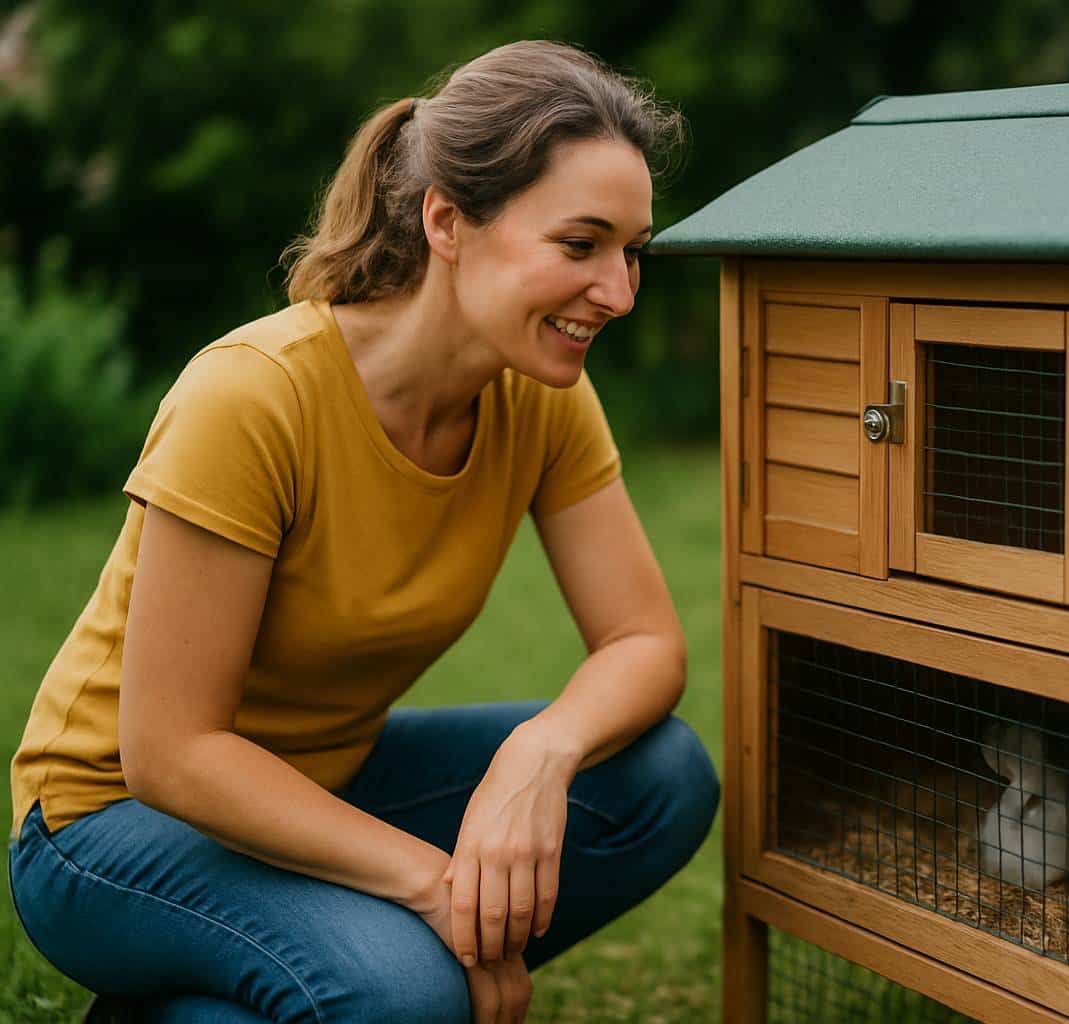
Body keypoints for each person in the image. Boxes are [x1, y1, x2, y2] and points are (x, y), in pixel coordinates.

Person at [8, 40, 719, 1024]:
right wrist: (438, 895)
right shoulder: (253, 397)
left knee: (658, 779)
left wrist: (537, 755)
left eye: (630, 251)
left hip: (323, 782)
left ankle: (196, 999)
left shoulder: (544, 396)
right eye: (581, 244)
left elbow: (645, 642)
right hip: (107, 826)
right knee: (409, 990)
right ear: (447, 221)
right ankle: (356, 969)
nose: (619, 291)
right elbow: (169, 752)